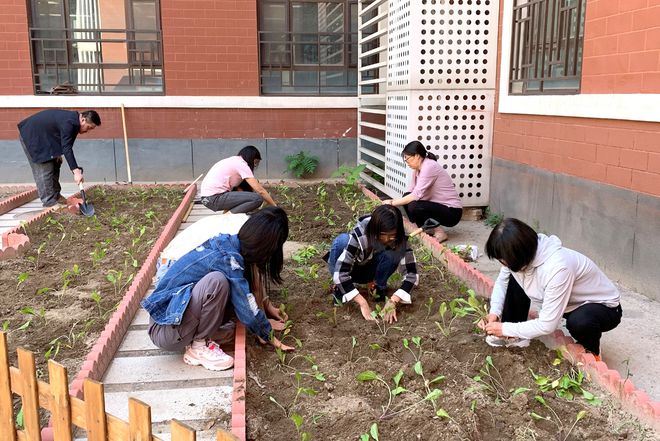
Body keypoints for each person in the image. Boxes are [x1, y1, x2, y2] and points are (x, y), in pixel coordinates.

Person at [141, 206, 294, 372]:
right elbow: (246, 303)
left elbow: (248, 292)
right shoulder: (227, 259)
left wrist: (265, 310)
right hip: (165, 330)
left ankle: (202, 337)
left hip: (174, 325)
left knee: (229, 291)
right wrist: (268, 334)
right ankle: (199, 348)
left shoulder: (232, 245)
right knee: (217, 282)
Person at [480, 218, 622, 361]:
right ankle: (514, 336)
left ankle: (592, 352)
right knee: (513, 276)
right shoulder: (520, 256)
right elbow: (502, 282)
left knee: (579, 321)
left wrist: (504, 328)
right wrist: (495, 313)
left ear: (519, 253)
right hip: (567, 302)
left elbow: (548, 325)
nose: (502, 263)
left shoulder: (558, 267)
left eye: (503, 260)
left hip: (602, 307)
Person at [326, 205, 418, 324]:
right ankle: (340, 288)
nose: (386, 239)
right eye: (382, 234)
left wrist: (393, 300)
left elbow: (411, 274)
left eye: (391, 236)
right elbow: (341, 273)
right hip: (352, 269)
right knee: (342, 241)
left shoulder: (399, 238)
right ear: (374, 230)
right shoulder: (360, 234)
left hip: (369, 270)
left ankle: (377, 287)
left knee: (393, 251)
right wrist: (363, 303)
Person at [18, 109, 101, 207]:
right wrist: (76, 172)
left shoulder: (74, 123)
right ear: (83, 120)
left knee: (55, 163)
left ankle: (56, 196)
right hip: (33, 136)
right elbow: (67, 148)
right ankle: (49, 202)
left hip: (45, 137)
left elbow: (66, 143)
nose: (88, 131)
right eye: (89, 127)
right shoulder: (69, 123)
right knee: (45, 168)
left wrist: (58, 155)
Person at [382, 141, 462, 242]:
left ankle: (440, 232)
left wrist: (392, 203)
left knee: (415, 205)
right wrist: (394, 201)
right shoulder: (417, 169)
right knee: (407, 196)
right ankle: (425, 228)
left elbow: (416, 195)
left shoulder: (429, 167)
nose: (407, 163)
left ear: (417, 156)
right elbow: (411, 192)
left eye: (407, 159)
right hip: (437, 207)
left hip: (452, 211)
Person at [199, 145, 276, 213]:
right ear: (251, 158)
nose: (254, 166)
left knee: (247, 189)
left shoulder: (234, 161)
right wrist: (275, 207)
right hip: (214, 198)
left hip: (206, 198)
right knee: (257, 199)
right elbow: (260, 191)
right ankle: (227, 217)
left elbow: (241, 190)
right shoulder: (242, 164)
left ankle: (228, 214)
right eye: (255, 162)